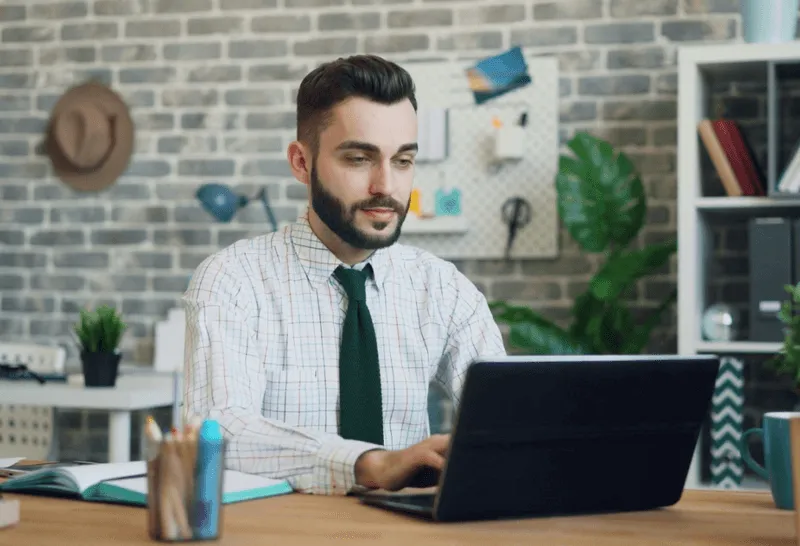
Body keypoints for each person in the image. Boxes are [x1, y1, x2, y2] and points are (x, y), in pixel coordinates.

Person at [182, 54, 506, 496]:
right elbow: (219, 433)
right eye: (359, 158)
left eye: (404, 161)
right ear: (301, 162)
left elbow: (506, 421)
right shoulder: (232, 280)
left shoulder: (445, 290)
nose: (386, 186)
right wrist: (368, 465)